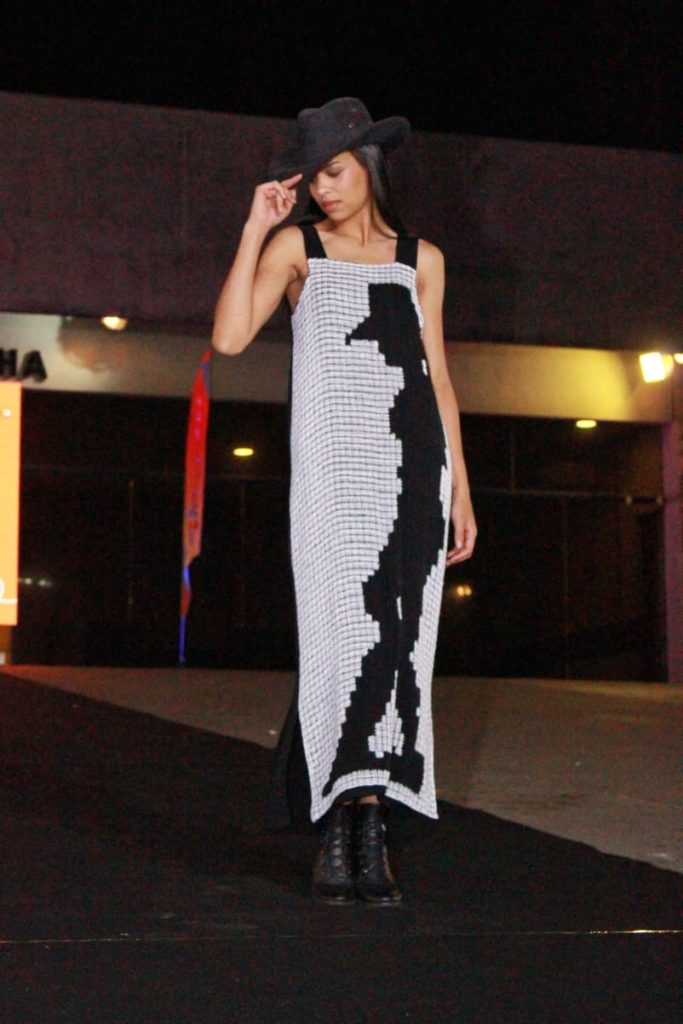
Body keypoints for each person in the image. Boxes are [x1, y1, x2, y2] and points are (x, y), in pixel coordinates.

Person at [212, 97, 476, 906]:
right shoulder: (299, 247)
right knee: (341, 643)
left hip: (413, 473)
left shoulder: (420, 260)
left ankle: (373, 833)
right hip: (332, 481)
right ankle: (335, 825)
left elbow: (438, 378)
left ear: (366, 165)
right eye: (311, 177)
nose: (321, 189)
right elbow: (228, 338)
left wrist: (460, 489)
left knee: (401, 653)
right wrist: (255, 226)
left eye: (331, 172)